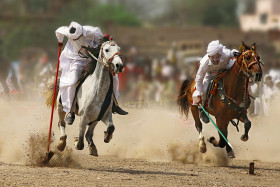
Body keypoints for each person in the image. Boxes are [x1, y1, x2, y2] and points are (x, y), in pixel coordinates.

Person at [55, 21, 127, 125]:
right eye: (73, 38)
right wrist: (60, 41)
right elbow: (58, 31)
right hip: (76, 59)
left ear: (82, 32)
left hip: (93, 57)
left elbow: (103, 43)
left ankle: (114, 105)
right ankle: (70, 111)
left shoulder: (93, 31)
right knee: (72, 81)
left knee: (114, 78)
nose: (76, 40)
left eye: (78, 37)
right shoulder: (66, 31)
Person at [192, 40, 237, 123]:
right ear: (209, 56)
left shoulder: (226, 54)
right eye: (212, 57)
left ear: (220, 54)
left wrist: (236, 53)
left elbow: (232, 53)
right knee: (204, 90)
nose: (215, 60)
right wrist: (198, 94)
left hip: (224, 72)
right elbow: (199, 78)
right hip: (209, 75)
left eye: (217, 57)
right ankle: (202, 109)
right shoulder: (204, 63)